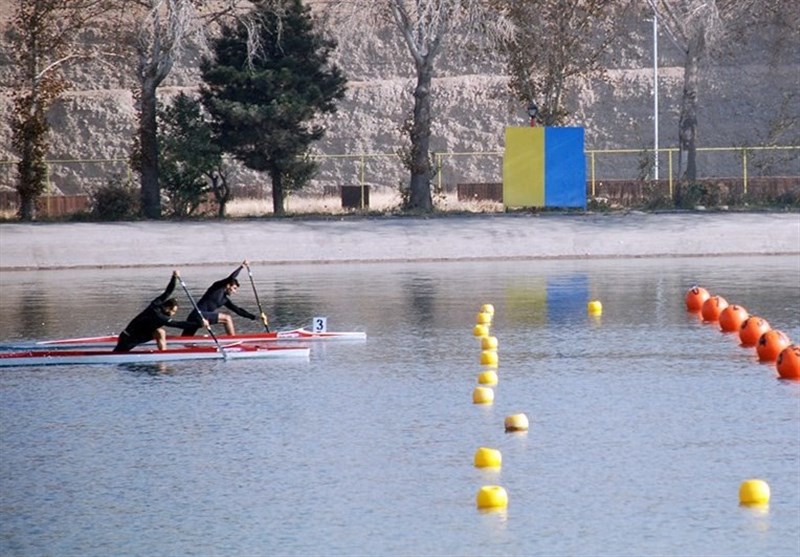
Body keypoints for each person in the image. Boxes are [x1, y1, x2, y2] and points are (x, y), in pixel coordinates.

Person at [113, 270, 208, 352]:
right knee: (116, 354)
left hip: (140, 334)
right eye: (173, 311)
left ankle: (163, 353)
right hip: (129, 338)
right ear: (167, 308)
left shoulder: (156, 303)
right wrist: (199, 324)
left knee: (160, 332)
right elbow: (178, 324)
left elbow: (168, 292)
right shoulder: (159, 316)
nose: (173, 314)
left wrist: (174, 277)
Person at [181, 260, 268, 337]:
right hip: (197, 315)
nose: (234, 292)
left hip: (200, 317)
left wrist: (256, 317)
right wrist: (242, 266)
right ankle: (233, 341)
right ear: (228, 285)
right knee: (227, 318)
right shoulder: (217, 287)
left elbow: (238, 311)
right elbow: (231, 277)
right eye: (234, 288)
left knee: (185, 339)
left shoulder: (224, 300)